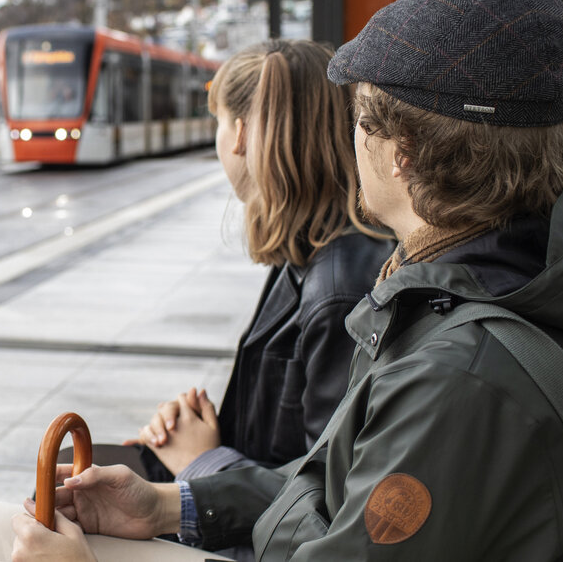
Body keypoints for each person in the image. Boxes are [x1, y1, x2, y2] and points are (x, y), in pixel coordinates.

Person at [0, 0, 563, 561]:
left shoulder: (457, 372)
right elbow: (346, 488)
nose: (347, 142)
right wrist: (172, 504)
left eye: (359, 119)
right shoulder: (510, 283)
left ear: (402, 154)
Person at [102, 40, 391, 496]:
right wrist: (193, 437)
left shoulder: (336, 290)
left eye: (216, 122)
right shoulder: (313, 255)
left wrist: (202, 462)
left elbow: (331, 498)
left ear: (238, 134)